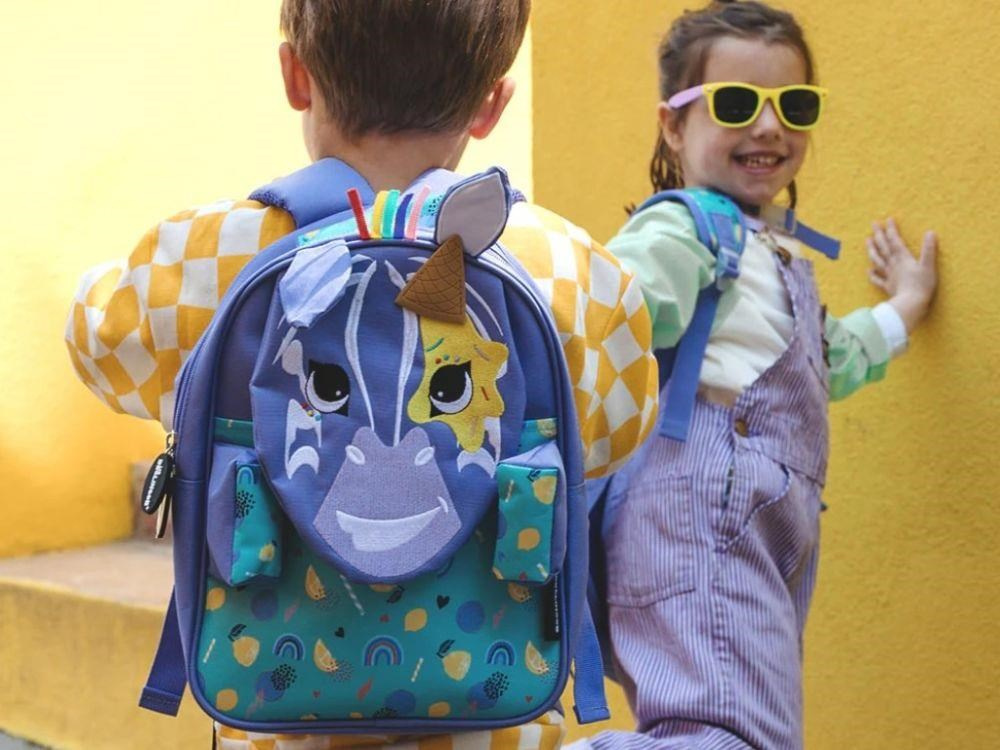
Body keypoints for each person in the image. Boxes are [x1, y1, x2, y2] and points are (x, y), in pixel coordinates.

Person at [63, 1, 660, 748]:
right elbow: (617, 432)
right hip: (500, 702)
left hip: (270, 704)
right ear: (491, 104)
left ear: (296, 75)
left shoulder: (206, 254)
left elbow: (96, 344)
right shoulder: (571, 269)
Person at [577, 2, 939, 748]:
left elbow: (829, 359)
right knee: (728, 736)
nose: (770, 127)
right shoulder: (684, 228)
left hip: (757, 528)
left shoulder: (767, 251)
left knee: (730, 731)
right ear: (674, 125)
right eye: (737, 104)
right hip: (705, 513)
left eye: (794, 106)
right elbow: (617, 308)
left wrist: (904, 307)